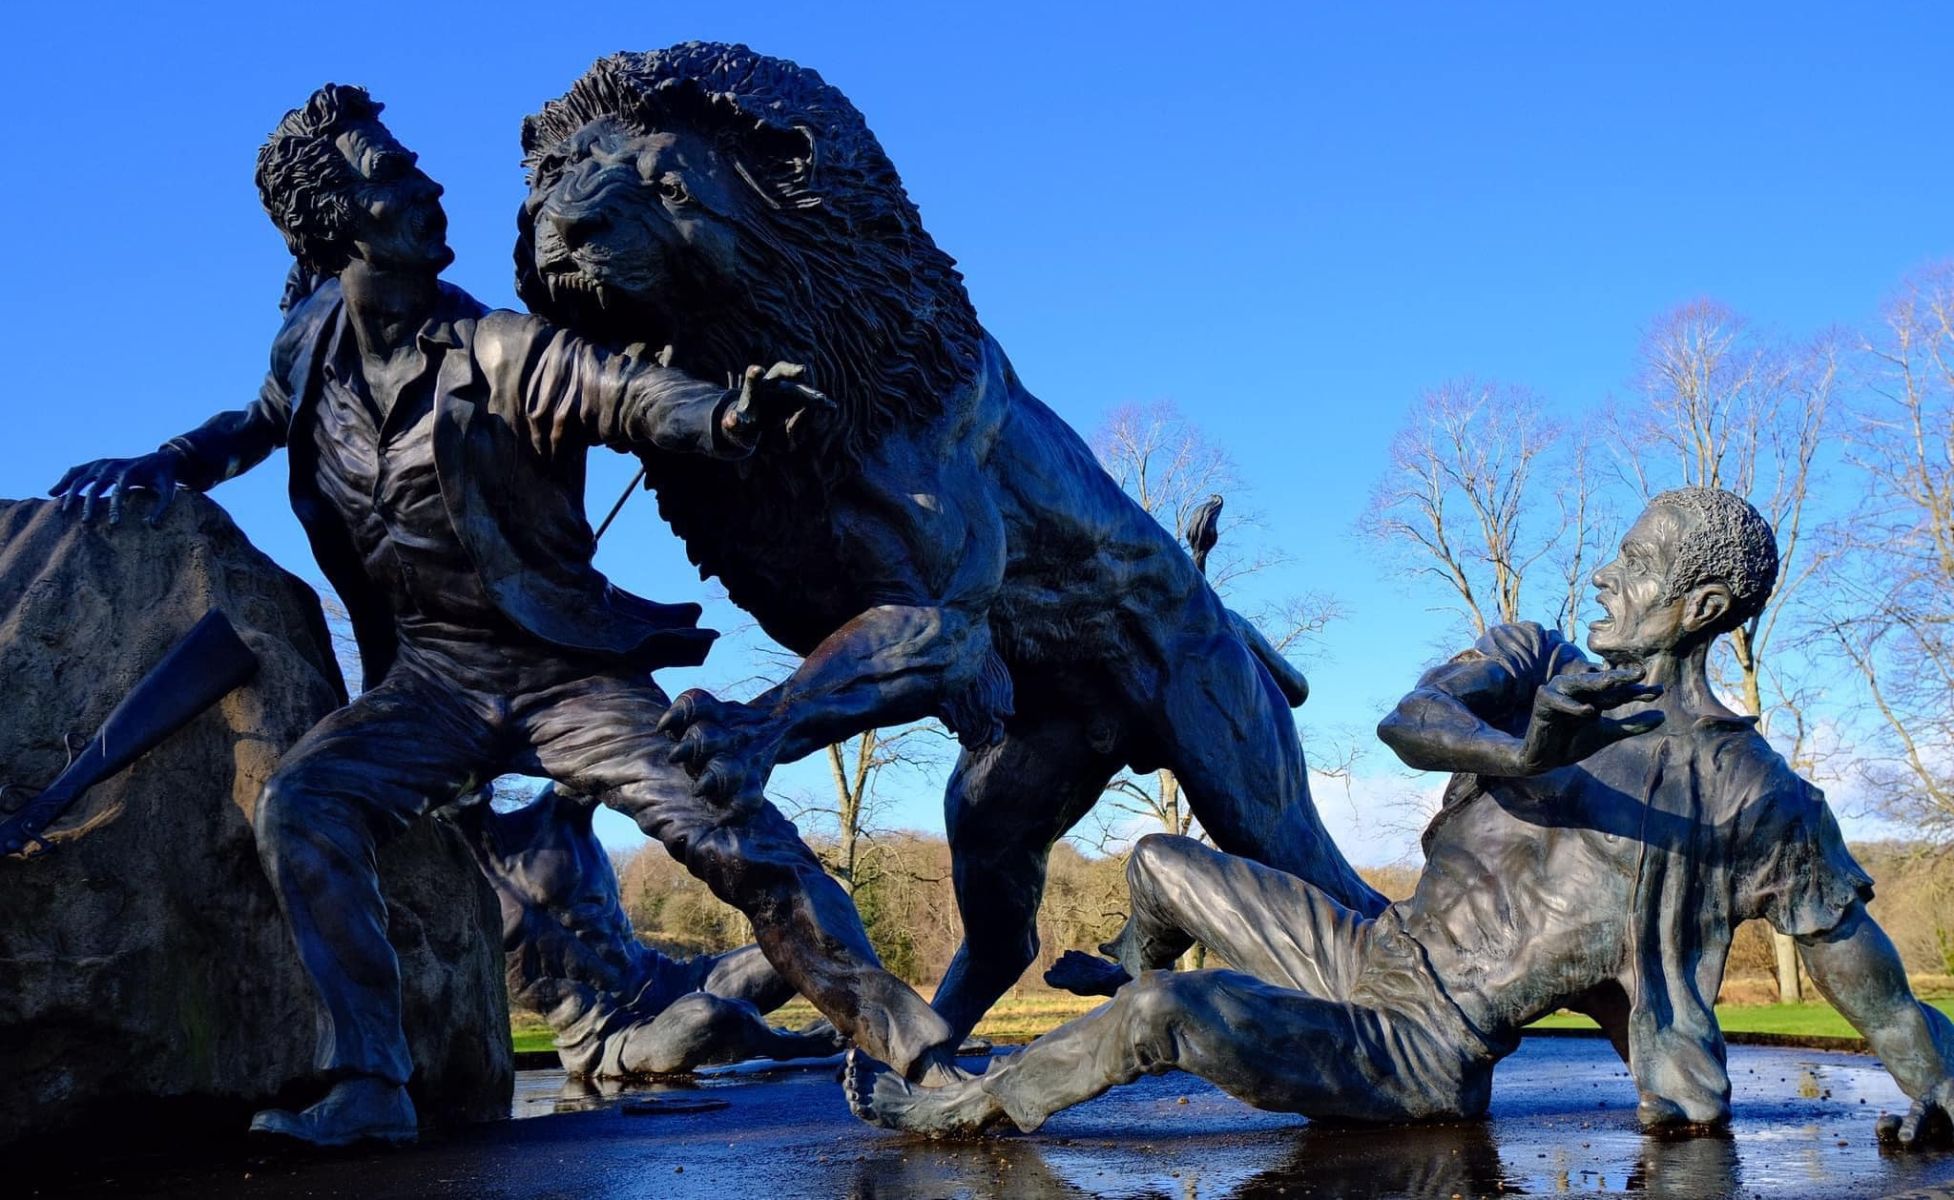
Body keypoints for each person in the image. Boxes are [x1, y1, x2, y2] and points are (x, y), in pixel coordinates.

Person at [53, 84, 958, 1147]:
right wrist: (169, 462)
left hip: (559, 673)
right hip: (429, 681)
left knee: (737, 842)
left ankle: (924, 1058)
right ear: (336, 219)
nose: (430, 185)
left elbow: (621, 390)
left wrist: (726, 412)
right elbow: (257, 421)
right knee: (302, 804)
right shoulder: (308, 342)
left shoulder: (500, 347)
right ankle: (371, 1085)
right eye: (393, 173)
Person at [848, 488, 1954, 1148]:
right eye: (1618, 551)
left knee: (1166, 1019)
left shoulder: (1757, 800)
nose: (1607, 574)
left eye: (1640, 562)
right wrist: (1520, 747)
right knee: (1151, 856)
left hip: (1422, 1044)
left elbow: (1872, 978)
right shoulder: (1536, 662)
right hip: (1370, 945)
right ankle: (1131, 952)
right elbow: (1408, 719)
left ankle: (964, 1112)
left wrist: (1940, 1088)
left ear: (1703, 608)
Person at [448, 786, 846, 1077]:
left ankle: (877, 1023)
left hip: (670, 979)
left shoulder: (555, 819)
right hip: (607, 1038)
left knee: (810, 938)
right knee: (707, 1016)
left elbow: (597, 756)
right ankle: (799, 1044)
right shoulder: (452, 888)